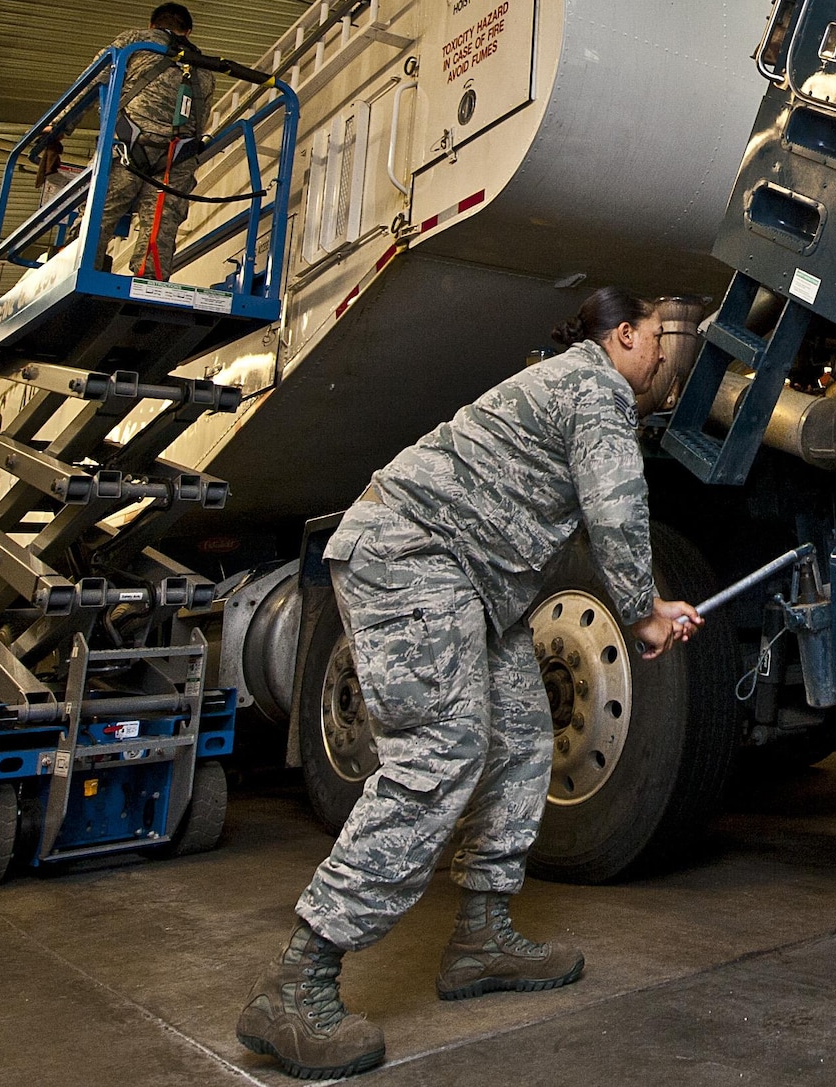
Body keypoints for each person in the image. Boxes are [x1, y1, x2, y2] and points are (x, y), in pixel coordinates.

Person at [236, 287, 704, 1080]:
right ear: (624, 336)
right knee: (437, 758)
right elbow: (618, 511)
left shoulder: (567, 382)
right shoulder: (594, 386)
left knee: (523, 737)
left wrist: (644, 604)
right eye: (658, 342)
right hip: (413, 558)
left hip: (468, 579)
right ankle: (296, 979)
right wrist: (643, 612)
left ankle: (481, 935)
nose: (663, 360)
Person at [93, 1, 214, 279]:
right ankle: (150, 279)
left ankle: (82, 268)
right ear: (189, 32)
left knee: (100, 213)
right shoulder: (204, 68)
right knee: (161, 222)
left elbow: (94, 79)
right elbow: (201, 119)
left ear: (152, 25)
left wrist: (59, 125)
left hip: (128, 145)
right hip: (176, 157)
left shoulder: (137, 41)